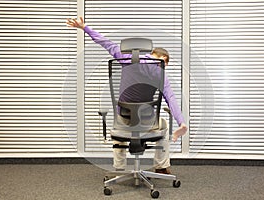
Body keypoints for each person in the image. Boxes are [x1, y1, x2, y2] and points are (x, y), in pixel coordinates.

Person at [66, 17, 188, 174]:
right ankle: (162, 167)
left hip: (124, 118)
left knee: (118, 130)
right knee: (164, 125)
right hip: (147, 121)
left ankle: (119, 167)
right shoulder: (161, 75)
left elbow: (106, 43)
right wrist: (181, 123)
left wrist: (85, 28)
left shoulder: (127, 58)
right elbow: (171, 98)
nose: (159, 66)